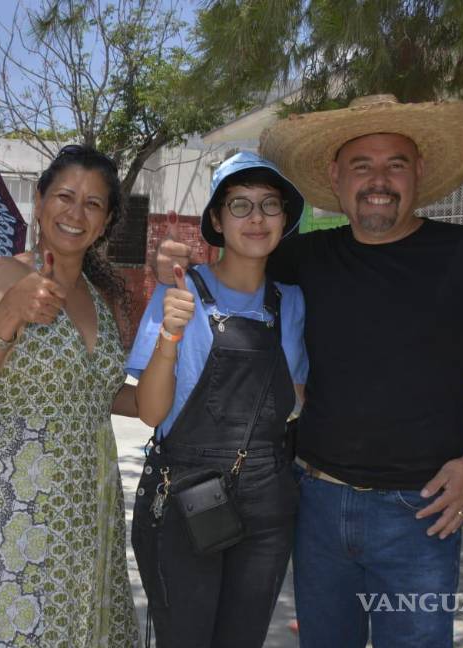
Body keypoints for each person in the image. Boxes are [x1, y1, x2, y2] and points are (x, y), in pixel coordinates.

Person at [156, 95, 463, 647]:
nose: (379, 180)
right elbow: (232, 266)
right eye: (362, 165)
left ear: (418, 172)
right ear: (335, 176)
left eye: (395, 163)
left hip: (420, 513)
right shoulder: (305, 259)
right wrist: (172, 262)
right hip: (316, 503)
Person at [0, 145, 139, 647]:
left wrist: (165, 390)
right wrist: (9, 313)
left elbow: (97, 392)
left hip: (87, 502)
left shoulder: (100, 300)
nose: (76, 213)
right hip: (15, 500)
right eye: (65, 196)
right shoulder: (7, 274)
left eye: (93, 204)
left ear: (104, 223)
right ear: (38, 203)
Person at [129, 151, 308, 647]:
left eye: (270, 205)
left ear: (285, 218)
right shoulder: (179, 290)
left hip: (267, 500)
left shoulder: (291, 301)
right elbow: (151, 412)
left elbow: (293, 397)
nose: (256, 218)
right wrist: (170, 335)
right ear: (216, 218)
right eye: (241, 205)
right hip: (187, 494)